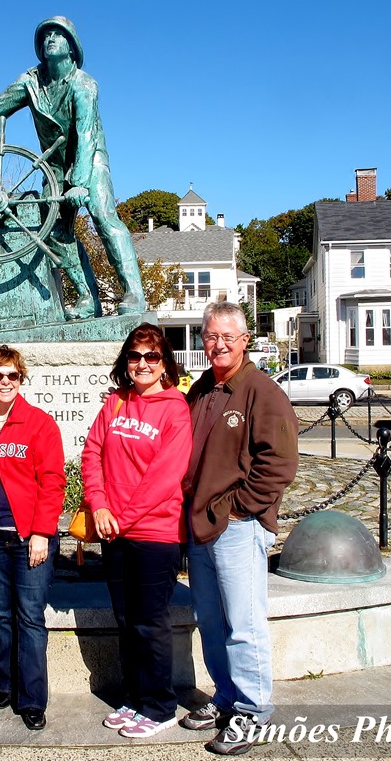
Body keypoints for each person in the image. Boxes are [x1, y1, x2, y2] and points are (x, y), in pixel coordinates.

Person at [0, 15, 145, 320]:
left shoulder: (84, 85)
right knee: (54, 230)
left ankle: (133, 292)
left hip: (89, 159)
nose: (49, 39)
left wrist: (80, 183)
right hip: (54, 165)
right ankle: (87, 299)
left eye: (58, 35)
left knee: (103, 216)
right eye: (45, 36)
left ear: (72, 47)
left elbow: (85, 134)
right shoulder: (31, 82)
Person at [180, 302, 299, 756]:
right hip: (201, 526)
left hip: (237, 528)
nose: (219, 344)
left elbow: (279, 463)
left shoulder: (262, 391)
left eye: (228, 336)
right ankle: (226, 697)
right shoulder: (203, 388)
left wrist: (239, 509)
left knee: (244, 625)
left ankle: (252, 711)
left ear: (245, 340)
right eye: (211, 336)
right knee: (211, 621)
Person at [81, 323, 192, 739]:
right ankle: (134, 697)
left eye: (151, 356)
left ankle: (159, 706)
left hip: (155, 534)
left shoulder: (175, 409)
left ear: (164, 364)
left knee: (150, 622)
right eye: (134, 355)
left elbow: (164, 477)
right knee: (126, 620)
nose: (142, 363)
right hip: (114, 531)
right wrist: (99, 504)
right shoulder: (116, 403)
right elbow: (92, 453)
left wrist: (121, 517)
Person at [0, 345, 65, 731]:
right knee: (1, 615)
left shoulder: (39, 423)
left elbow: (53, 481)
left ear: (21, 379)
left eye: (12, 375)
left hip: (28, 538)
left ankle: (33, 698)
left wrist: (41, 532)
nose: (5, 382)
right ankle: (5, 684)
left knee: (29, 617)